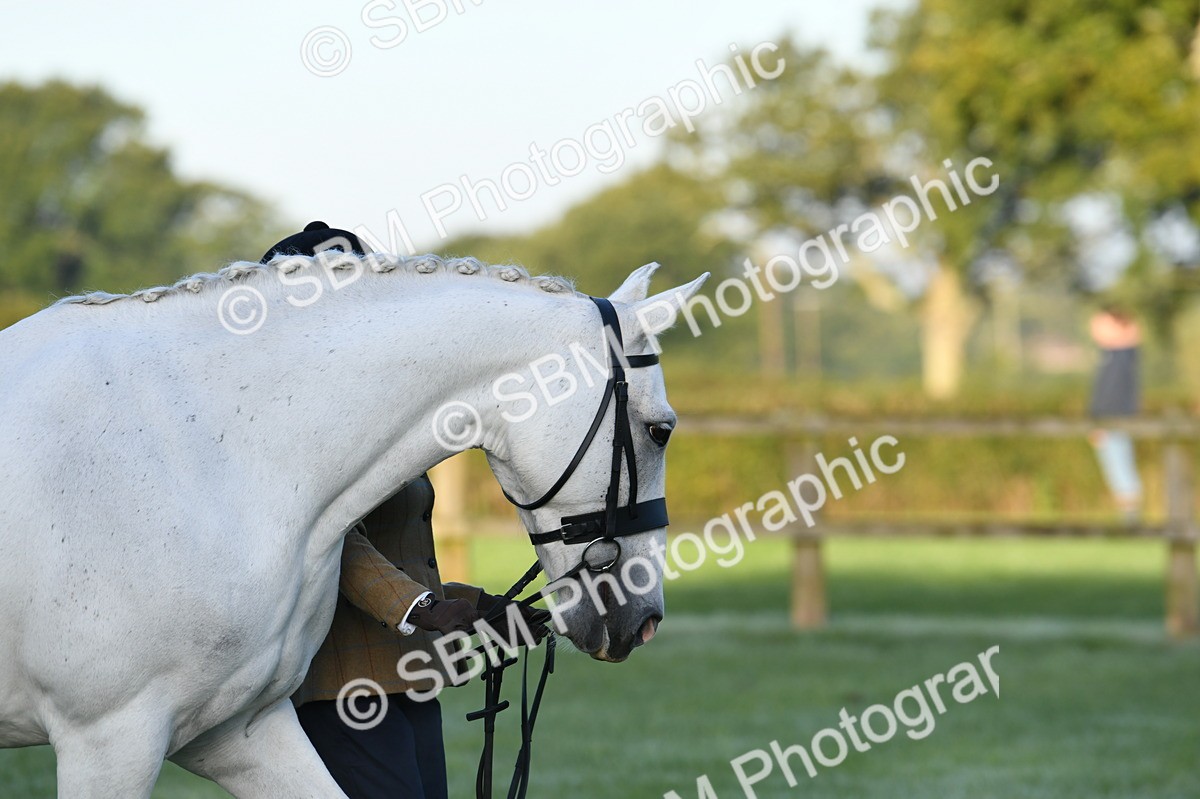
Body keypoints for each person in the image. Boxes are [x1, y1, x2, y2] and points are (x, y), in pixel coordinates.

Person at [261, 222, 545, 799]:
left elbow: (395, 550)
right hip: (338, 683)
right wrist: (421, 608)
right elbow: (335, 539)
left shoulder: (368, 409)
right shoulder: (298, 413)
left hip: (406, 673)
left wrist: (476, 606)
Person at [1087, 305, 1143, 521]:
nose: (1095, 330)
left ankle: (1131, 518)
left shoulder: (1122, 356)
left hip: (1114, 422)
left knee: (1120, 467)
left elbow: (1112, 393)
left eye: (1101, 324)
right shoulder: (1110, 356)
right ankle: (1129, 517)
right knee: (1117, 467)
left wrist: (1100, 423)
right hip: (1109, 421)